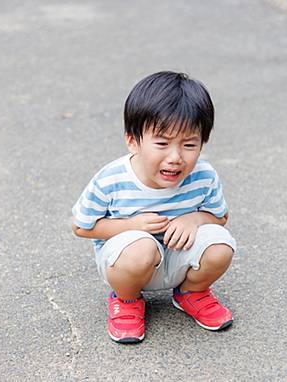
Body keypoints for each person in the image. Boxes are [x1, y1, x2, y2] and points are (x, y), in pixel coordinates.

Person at [71, 71, 236, 343]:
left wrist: (194, 219)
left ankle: (191, 293)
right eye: (162, 143)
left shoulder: (203, 175)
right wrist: (130, 226)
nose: (175, 158)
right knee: (140, 248)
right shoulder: (113, 179)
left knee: (220, 246)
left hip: (178, 256)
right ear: (133, 141)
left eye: (189, 144)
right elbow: (80, 226)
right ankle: (126, 300)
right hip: (129, 263)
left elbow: (221, 216)